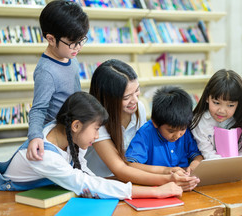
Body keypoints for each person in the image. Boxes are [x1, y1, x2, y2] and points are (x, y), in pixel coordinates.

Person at [0, 92, 182, 200]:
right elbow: (86, 184)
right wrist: (155, 191)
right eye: (96, 129)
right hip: (11, 200)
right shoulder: (44, 154)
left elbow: (85, 177)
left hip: (45, 195)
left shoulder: (67, 134)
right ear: (76, 125)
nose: (98, 136)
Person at [85, 59, 199, 191]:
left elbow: (143, 148)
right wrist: (167, 177)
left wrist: (169, 173)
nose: (135, 100)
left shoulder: (138, 108)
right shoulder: (96, 122)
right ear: (108, 99)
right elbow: (121, 168)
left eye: (137, 91)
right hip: (101, 182)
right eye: (126, 97)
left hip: (131, 180)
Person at [27, 0, 89, 161]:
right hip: (58, 136)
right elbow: (38, 109)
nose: (78, 47)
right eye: (73, 43)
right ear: (51, 39)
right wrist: (35, 137)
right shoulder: (46, 71)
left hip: (74, 127)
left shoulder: (70, 57)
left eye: (82, 40)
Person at [125, 86, 204, 175]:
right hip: (156, 183)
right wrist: (164, 170)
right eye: (171, 131)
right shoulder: (145, 134)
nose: (177, 135)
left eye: (182, 129)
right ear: (155, 122)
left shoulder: (185, 130)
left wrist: (195, 163)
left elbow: (197, 155)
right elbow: (130, 165)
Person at [190, 69, 242, 159]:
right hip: (212, 166)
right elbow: (208, 153)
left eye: (230, 105)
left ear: (238, 104)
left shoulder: (240, 119)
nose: (222, 110)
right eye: (216, 103)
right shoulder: (199, 122)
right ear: (207, 98)